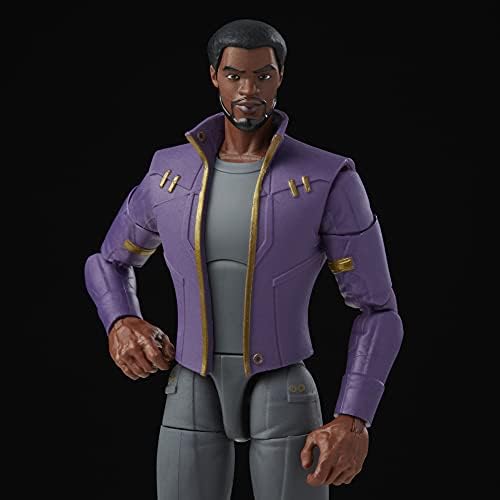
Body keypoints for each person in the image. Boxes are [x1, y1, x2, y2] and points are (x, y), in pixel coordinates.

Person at [84, 18, 404, 500]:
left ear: (280, 77)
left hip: (281, 386)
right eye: (235, 75)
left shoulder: (327, 177)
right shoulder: (169, 172)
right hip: (192, 384)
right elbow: (107, 262)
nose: (248, 90)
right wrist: (121, 320)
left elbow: (379, 309)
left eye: (262, 75)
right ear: (214, 75)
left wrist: (353, 419)